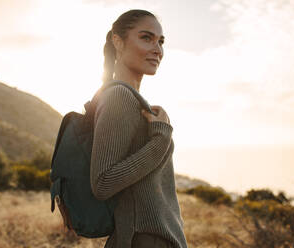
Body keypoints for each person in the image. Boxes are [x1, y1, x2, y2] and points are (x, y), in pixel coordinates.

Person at [90, 9, 188, 248]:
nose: (158, 49)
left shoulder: (131, 99)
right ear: (118, 41)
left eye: (161, 41)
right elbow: (102, 183)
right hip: (144, 240)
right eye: (146, 38)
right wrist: (161, 138)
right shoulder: (119, 97)